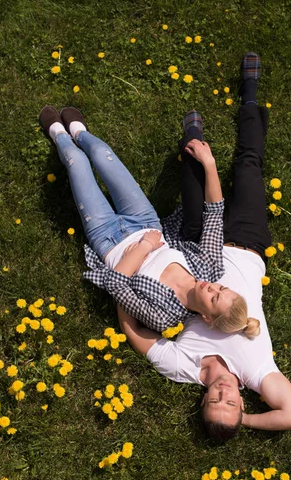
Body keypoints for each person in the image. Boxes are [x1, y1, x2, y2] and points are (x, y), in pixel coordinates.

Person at [118, 53, 291, 441]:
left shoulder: (187, 368)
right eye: (232, 403)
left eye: (216, 401)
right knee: (249, 166)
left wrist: (122, 287)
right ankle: (249, 94)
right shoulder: (256, 371)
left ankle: (192, 138)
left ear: (202, 402)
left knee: (193, 190)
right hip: (249, 244)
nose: (224, 394)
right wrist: (244, 422)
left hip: (198, 246)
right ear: (242, 401)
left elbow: (138, 337)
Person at [38, 106, 258, 337]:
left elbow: (114, 285)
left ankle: (57, 133)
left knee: (76, 161)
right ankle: (78, 131)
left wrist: (145, 247)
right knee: (102, 154)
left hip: (107, 239)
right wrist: (209, 164)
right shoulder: (209, 267)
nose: (212, 287)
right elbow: (214, 216)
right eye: (222, 288)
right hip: (143, 220)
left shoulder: (164, 316)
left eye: (214, 298)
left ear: (207, 318)